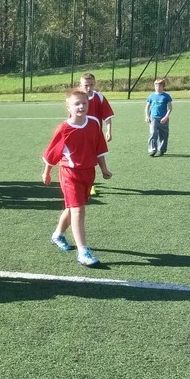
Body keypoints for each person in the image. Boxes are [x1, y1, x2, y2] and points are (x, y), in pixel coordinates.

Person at [43, 89, 113, 266]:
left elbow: (99, 148)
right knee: (78, 210)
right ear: (68, 107)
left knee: (73, 207)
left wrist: (104, 168)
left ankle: (58, 235)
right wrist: (47, 172)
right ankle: (83, 252)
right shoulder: (64, 129)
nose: (81, 106)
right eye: (77, 104)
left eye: (84, 103)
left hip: (88, 173)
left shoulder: (93, 124)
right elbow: (52, 152)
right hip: (70, 173)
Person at [145, 79, 172, 156]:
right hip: (153, 118)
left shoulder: (166, 96)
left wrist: (166, 117)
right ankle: (152, 150)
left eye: (160, 86)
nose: (158, 87)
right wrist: (147, 116)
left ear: (163, 86)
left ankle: (162, 149)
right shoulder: (151, 96)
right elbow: (147, 106)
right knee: (153, 133)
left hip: (163, 119)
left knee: (163, 135)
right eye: (156, 86)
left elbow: (170, 108)